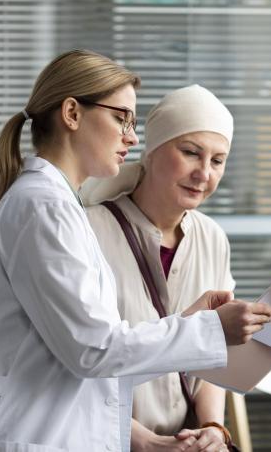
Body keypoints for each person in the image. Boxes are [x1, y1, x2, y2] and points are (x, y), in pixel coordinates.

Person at [0, 50, 271, 452]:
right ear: (72, 114)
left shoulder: (54, 205)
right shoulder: (45, 208)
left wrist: (193, 325)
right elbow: (94, 351)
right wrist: (210, 329)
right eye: (121, 118)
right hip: (21, 435)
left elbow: (93, 352)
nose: (132, 137)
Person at [83, 85, 241, 452]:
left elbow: (214, 352)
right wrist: (143, 441)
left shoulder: (213, 238)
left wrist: (213, 429)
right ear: (151, 150)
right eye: (190, 152)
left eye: (217, 161)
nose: (204, 173)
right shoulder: (89, 231)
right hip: (104, 440)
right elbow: (77, 360)